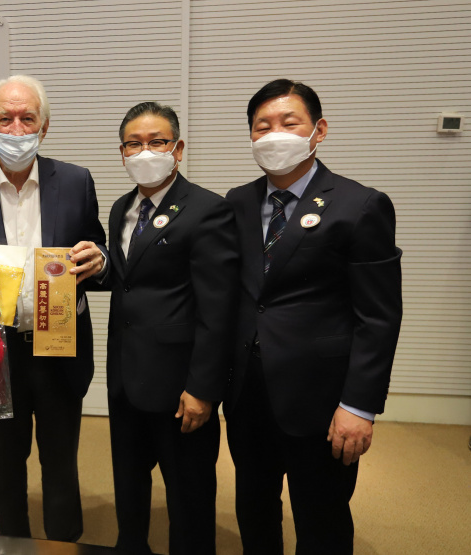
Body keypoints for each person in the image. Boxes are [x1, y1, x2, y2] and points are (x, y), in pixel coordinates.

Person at [223, 79, 402, 554]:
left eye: (289, 122)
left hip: (321, 403)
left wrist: (359, 406)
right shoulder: (237, 202)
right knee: (255, 510)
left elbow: (379, 317)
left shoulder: (360, 206)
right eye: (262, 126)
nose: (274, 134)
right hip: (247, 395)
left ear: (318, 130)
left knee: (321, 520)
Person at [0, 75, 107, 541]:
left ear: (45, 126)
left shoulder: (75, 181)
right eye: (5, 119)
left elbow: (97, 246)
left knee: (61, 463)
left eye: (27, 118)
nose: (16, 128)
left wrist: (99, 258)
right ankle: (12, 546)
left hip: (60, 346)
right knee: (6, 464)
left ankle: (63, 545)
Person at [105, 102, 238, 555]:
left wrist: (203, 388)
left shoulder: (207, 210)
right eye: (134, 144)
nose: (145, 152)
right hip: (125, 378)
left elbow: (218, 310)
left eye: (157, 142)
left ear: (177, 148)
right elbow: (131, 280)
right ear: (121, 152)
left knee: (189, 496)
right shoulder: (122, 208)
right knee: (129, 485)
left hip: (180, 386)